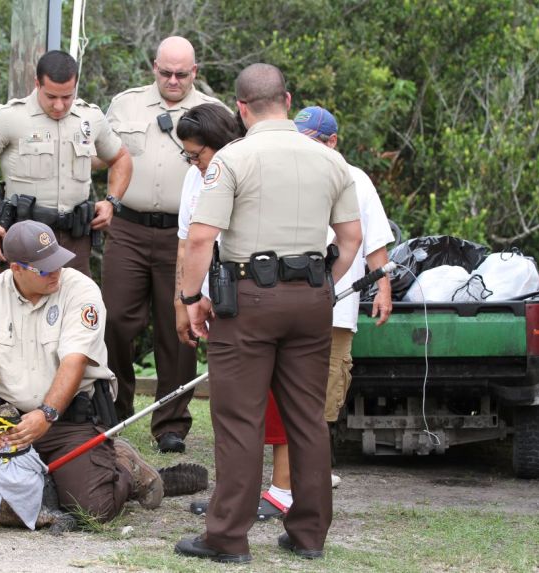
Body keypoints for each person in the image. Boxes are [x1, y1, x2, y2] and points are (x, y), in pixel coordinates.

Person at [174, 64, 362, 563]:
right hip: (313, 299)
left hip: (249, 300)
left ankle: (226, 538)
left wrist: (193, 300)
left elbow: (199, 237)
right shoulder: (330, 160)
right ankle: (309, 534)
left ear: (240, 107)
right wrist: (317, 286)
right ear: (288, 98)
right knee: (307, 419)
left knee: (239, 419)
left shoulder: (234, 158)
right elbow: (351, 241)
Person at [0, 220, 163, 523]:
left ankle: (125, 463)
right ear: (16, 267)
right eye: (45, 268)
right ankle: (45, 484)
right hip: (10, 422)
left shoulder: (81, 290)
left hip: (69, 420)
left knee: (93, 510)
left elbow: (74, 361)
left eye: (57, 261)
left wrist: (47, 413)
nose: (56, 271)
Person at [256, 106, 395, 520]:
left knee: (323, 397)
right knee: (284, 396)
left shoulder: (355, 178)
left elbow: (373, 238)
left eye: (312, 140)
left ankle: (303, 482)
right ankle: (289, 482)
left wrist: (382, 284)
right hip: (291, 304)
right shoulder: (287, 173)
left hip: (336, 307)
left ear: (332, 142)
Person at [102, 36, 228, 453]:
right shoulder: (125, 105)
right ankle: (113, 411)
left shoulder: (214, 112)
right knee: (116, 320)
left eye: (182, 74)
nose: (173, 80)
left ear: (195, 72)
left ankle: (171, 423)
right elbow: (96, 155)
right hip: (129, 227)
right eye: (165, 72)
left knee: (180, 329)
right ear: (153, 67)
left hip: (189, 232)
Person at [0, 50, 133, 276]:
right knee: (21, 309)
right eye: (51, 97)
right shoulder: (9, 117)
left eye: (67, 97)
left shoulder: (89, 117)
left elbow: (121, 157)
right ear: (37, 84)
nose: (60, 106)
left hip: (75, 240)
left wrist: (112, 201)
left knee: (76, 308)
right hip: (26, 239)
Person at [174, 104, 244, 338]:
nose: (194, 163)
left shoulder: (244, 172)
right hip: (206, 298)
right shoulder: (193, 176)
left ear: (219, 142)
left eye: (197, 155)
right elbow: (185, 244)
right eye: (188, 156)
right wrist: (183, 300)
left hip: (245, 295)